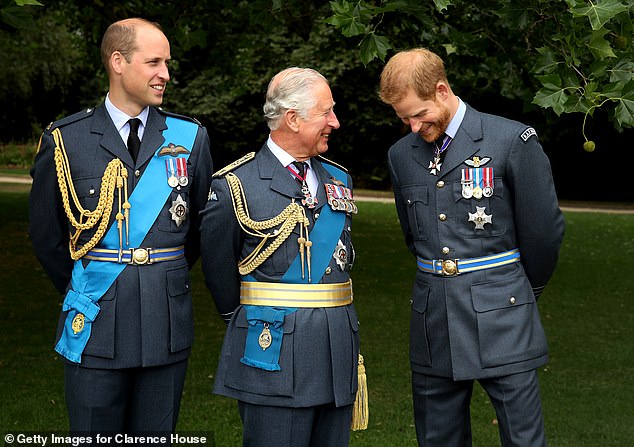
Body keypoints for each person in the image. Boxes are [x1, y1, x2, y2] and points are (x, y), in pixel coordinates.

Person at [28, 18, 213, 437]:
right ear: (118, 62)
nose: (165, 73)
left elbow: (199, 232)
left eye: (167, 62)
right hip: (95, 324)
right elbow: (46, 237)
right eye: (154, 62)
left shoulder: (190, 137)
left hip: (166, 325)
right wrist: (88, 287)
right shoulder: (66, 139)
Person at [379, 48, 565, 447]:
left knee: (523, 439)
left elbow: (544, 232)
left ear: (442, 90)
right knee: (438, 438)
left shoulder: (511, 139)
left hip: (504, 314)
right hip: (433, 322)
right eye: (403, 118)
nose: (412, 126)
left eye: (418, 114)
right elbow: (414, 236)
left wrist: (520, 293)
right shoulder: (401, 156)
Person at [199, 67, 366, 447]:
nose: (335, 123)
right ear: (292, 118)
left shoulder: (339, 179)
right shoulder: (234, 185)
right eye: (326, 112)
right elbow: (219, 274)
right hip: (271, 348)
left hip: (337, 346)